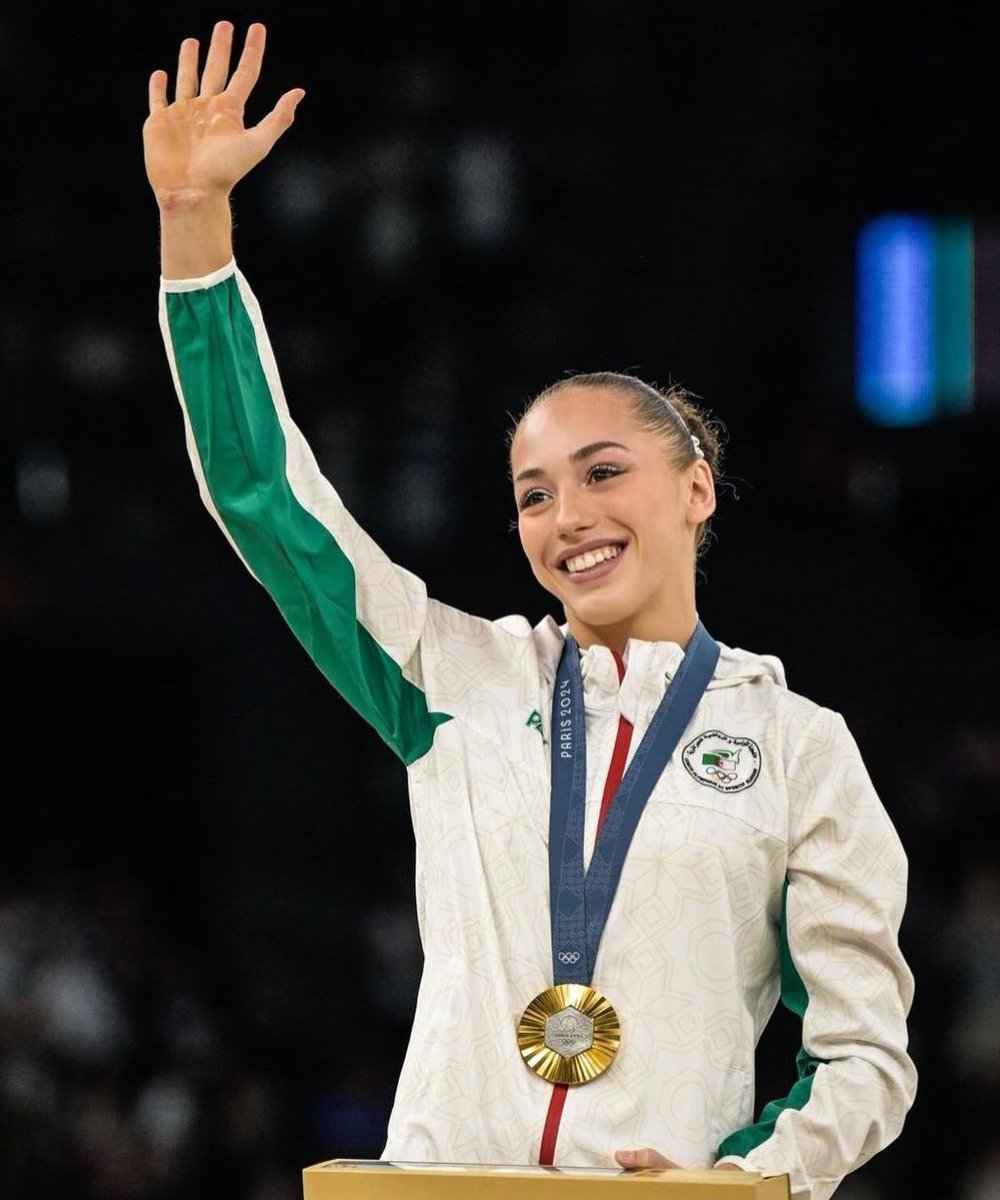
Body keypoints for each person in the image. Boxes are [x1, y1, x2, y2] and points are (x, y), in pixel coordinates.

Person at [143, 20, 917, 1199]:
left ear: (695, 488)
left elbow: (862, 1055)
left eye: (604, 473)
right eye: (534, 494)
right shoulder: (451, 678)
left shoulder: (796, 749)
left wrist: (746, 1177)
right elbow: (266, 498)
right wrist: (194, 230)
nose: (569, 517)